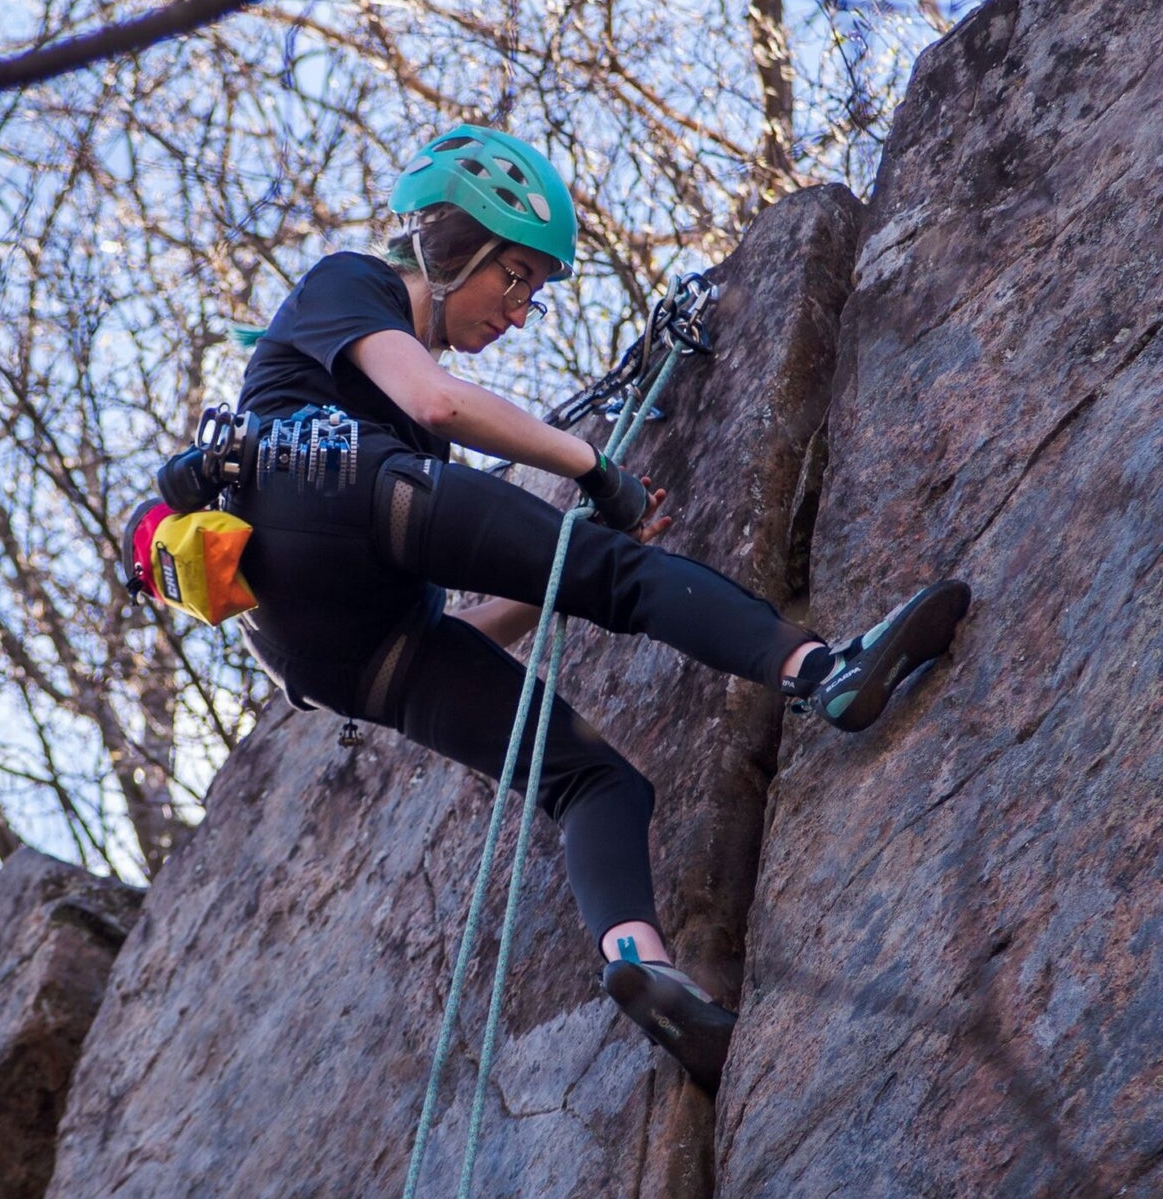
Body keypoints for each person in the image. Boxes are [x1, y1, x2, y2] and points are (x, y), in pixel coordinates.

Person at [166, 126, 969, 1095]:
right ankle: (824, 672)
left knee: (592, 781)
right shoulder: (350, 283)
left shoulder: (372, 427)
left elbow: (445, 639)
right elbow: (437, 404)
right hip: (321, 484)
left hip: (329, 654)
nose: (518, 310)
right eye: (513, 276)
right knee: (619, 577)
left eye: (534, 291)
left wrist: (561, 565)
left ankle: (640, 964)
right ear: (446, 241)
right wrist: (595, 473)